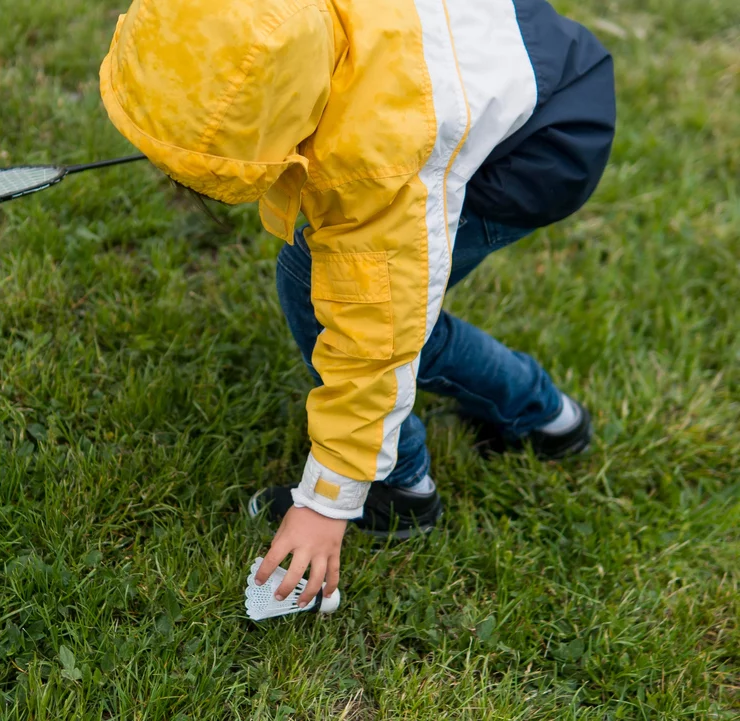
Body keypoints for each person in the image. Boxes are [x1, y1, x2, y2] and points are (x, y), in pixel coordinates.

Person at [99, 0, 615, 610]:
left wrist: (324, 503)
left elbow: (378, 333)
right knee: (330, 278)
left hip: (540, 145)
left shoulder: (375, 163)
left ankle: (400, 488)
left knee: (361, 307)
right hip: (523, 57)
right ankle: (548, 419)